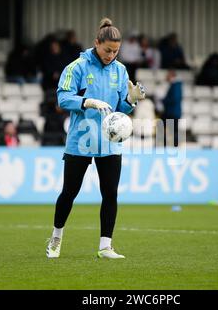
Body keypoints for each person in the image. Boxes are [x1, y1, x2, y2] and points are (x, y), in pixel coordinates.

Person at [46, 18, 146, 259]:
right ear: (96, 43)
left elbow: (121, 108)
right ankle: (56, 238)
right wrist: (87, 101)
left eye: (116, 51)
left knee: (110, 193)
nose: (111, 55)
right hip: (81, 140)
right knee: (69, 192)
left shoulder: (121, 71)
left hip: (110, 142)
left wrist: (131, 100)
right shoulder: (77, 67)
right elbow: (62, 98)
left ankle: (105, 247)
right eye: (107, 50)